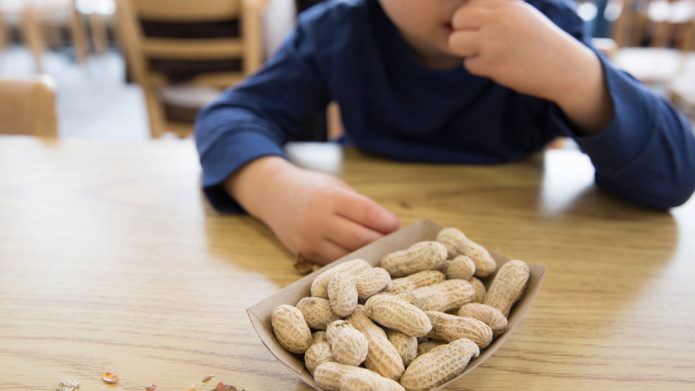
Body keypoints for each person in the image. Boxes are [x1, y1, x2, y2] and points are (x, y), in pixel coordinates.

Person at [194, 0, 695, 265]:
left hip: (533, 255)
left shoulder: (553, 26)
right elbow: (230, 116)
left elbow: (674, 176)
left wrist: (580, 77)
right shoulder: (334, 32)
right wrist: (273, 189)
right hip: (364, 243)